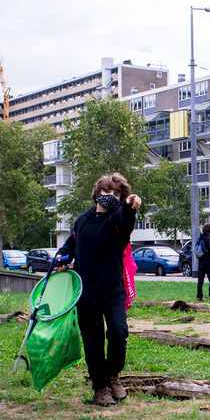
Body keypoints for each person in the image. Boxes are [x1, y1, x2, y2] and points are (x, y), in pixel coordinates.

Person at [56, 173, 142, 407]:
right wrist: (62, 256)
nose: (112, 196)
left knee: (118, 332)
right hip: (85, 292)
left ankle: (113, 375)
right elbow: (71, 243)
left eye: (117, 194)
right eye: (108, 192)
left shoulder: (117, 220)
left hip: (113, 290)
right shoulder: (82, 221)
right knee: (92, 342)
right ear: (97, 193)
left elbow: (126, 218)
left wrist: (130, 205)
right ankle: (100, 388)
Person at [195, 222, 210, 301]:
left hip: (200, 262)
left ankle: (199, 296)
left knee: (200, 280)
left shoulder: (200, 238)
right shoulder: (209, 239)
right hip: (208, 262)